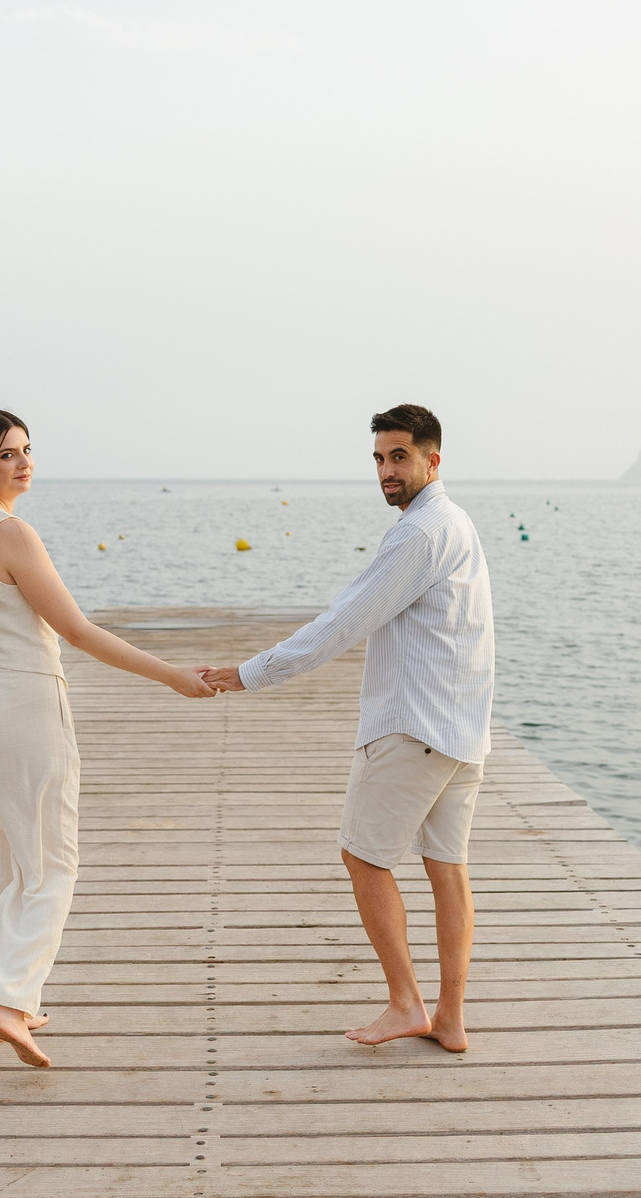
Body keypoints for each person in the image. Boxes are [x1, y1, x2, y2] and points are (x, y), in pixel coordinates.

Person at [0, 407, 216, 1067]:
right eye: (7, 454)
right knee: (51, 863)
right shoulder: (13, 534)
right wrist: (172, 674)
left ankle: (2, 997)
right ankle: (8, 1000)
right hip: (18, 703)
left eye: (27, 450)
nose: (25, 463)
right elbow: (78, 631)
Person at [202, 404, 493, 1051]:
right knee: (447, 866)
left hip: (415, 725)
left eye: (399, 457)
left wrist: (248, 672)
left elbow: (342, 623)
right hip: (461, 726)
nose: (387, 471)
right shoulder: (456, 523)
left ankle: (405, 1001)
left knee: (363, 855)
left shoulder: (418, 534)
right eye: (379, 459)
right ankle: (448, 1016)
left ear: (432, 460)